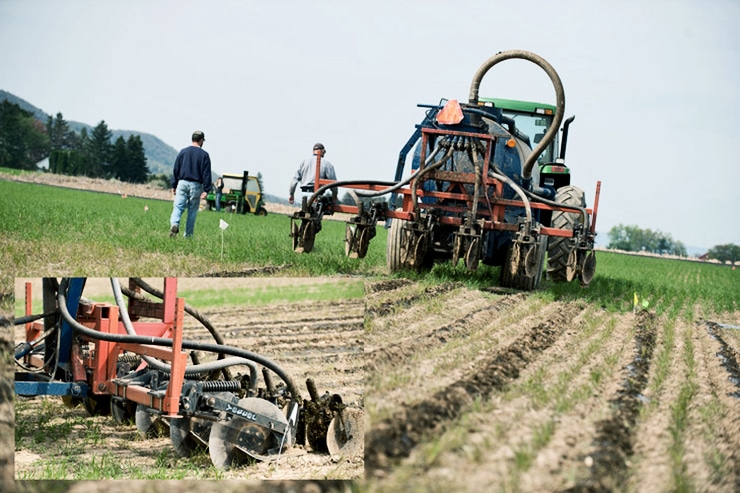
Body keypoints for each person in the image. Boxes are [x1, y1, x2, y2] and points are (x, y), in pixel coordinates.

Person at [169, 130, 212, 238]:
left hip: (182, 183)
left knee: (178, 207)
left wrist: (174, 185)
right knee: (192, 211)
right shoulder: (204, 155)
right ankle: (188, 235)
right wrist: (206, 190)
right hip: (196, 185)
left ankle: (174, 224)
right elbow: (206, 174)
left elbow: (176, 169)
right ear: (201, 140)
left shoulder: (183, 152)